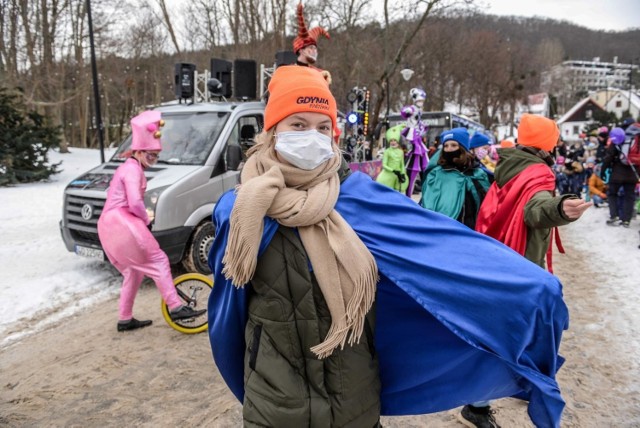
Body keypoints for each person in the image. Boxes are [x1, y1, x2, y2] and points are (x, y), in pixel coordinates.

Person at [208, 66, 569, 428]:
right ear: (273, 132)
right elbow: (229, 309)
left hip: (354, 397)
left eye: (322, 127)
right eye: (298, 125)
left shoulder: (361, 199)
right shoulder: (239, 209)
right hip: (274, 402)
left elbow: (444, 250)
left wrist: (534, 289)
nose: (312, 137)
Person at [97, 111, 205, 331]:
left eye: (156, 155)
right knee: (159, 260)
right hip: (122, 221)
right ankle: (176, 308)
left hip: (107, 227)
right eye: (150, 154)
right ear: (138, 151)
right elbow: (135, 202)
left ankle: (125, 319)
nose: (153, 159)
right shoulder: (133, 170)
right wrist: (146, 218)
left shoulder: (127, 167)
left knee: (133, 272)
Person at [476, 113, 592, 270]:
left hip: (500, 246)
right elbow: (534, 208)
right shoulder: (538, 170)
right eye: (553, 140)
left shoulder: (511, 163)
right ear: (546, 142)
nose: (555, 146)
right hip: (526, 254)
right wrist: (558, 208)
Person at [421, 128, 490, 229]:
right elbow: (428, 204)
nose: (449, 149)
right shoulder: (436, 174)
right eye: (446, 146)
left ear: (463, 148)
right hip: (446, 229)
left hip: (471, 228)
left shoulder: (477, 173)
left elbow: (486, 204)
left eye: (454, 145)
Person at [602, 127, 639, 227]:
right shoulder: (636, 141)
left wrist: (603, 170)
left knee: (612, 194)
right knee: (629, 196)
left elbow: (608, 158)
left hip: (617, 174)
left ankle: (614, 216)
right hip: (633, 173)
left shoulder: (618, 138)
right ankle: (626, 220)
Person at [292, 1, 331, 83]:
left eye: (315, 48)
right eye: (311, 47)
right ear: (301, 50)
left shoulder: (319, 74)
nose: (314, 51)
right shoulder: (289, 71)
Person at [376, 124, 409, 193]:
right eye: (391, 140)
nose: (393, 142)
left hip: (398, 176)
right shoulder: (387, 152)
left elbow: (402, 164)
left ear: (397, 141)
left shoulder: (400, 152)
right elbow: (384, 165)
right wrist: (393, 170)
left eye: (394, 140)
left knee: (400, 194)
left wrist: (402, 173)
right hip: (388, 176)